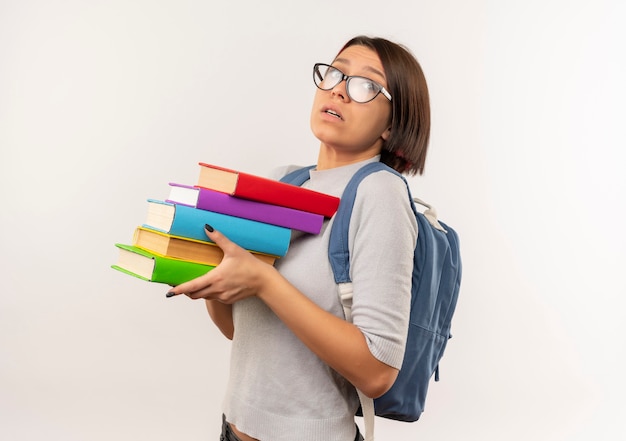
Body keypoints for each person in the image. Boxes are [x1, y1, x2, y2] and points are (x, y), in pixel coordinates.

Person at [166, 35, 431, 441]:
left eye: (366, 85)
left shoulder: (378, 192)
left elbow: (378, 372)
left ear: (393, 124)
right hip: (232, 428)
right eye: (335, 73)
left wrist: (263, 280)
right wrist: (210, 278)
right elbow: (243, 331)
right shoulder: (284, 181)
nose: (340, 89)